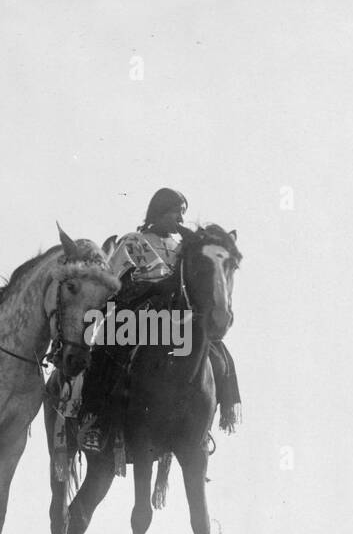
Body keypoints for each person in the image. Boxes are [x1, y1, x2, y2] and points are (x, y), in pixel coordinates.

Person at [75, 187, 241, 452]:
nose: (180, 219)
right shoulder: (132, 241)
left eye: (183, 213)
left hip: (176, 313)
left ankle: (201, 425)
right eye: (176, 211)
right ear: (159, 211)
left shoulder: (184, 247)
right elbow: (113, 278)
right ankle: (97, 420)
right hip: (137, 311)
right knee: (109, 352)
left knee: (217, 352)